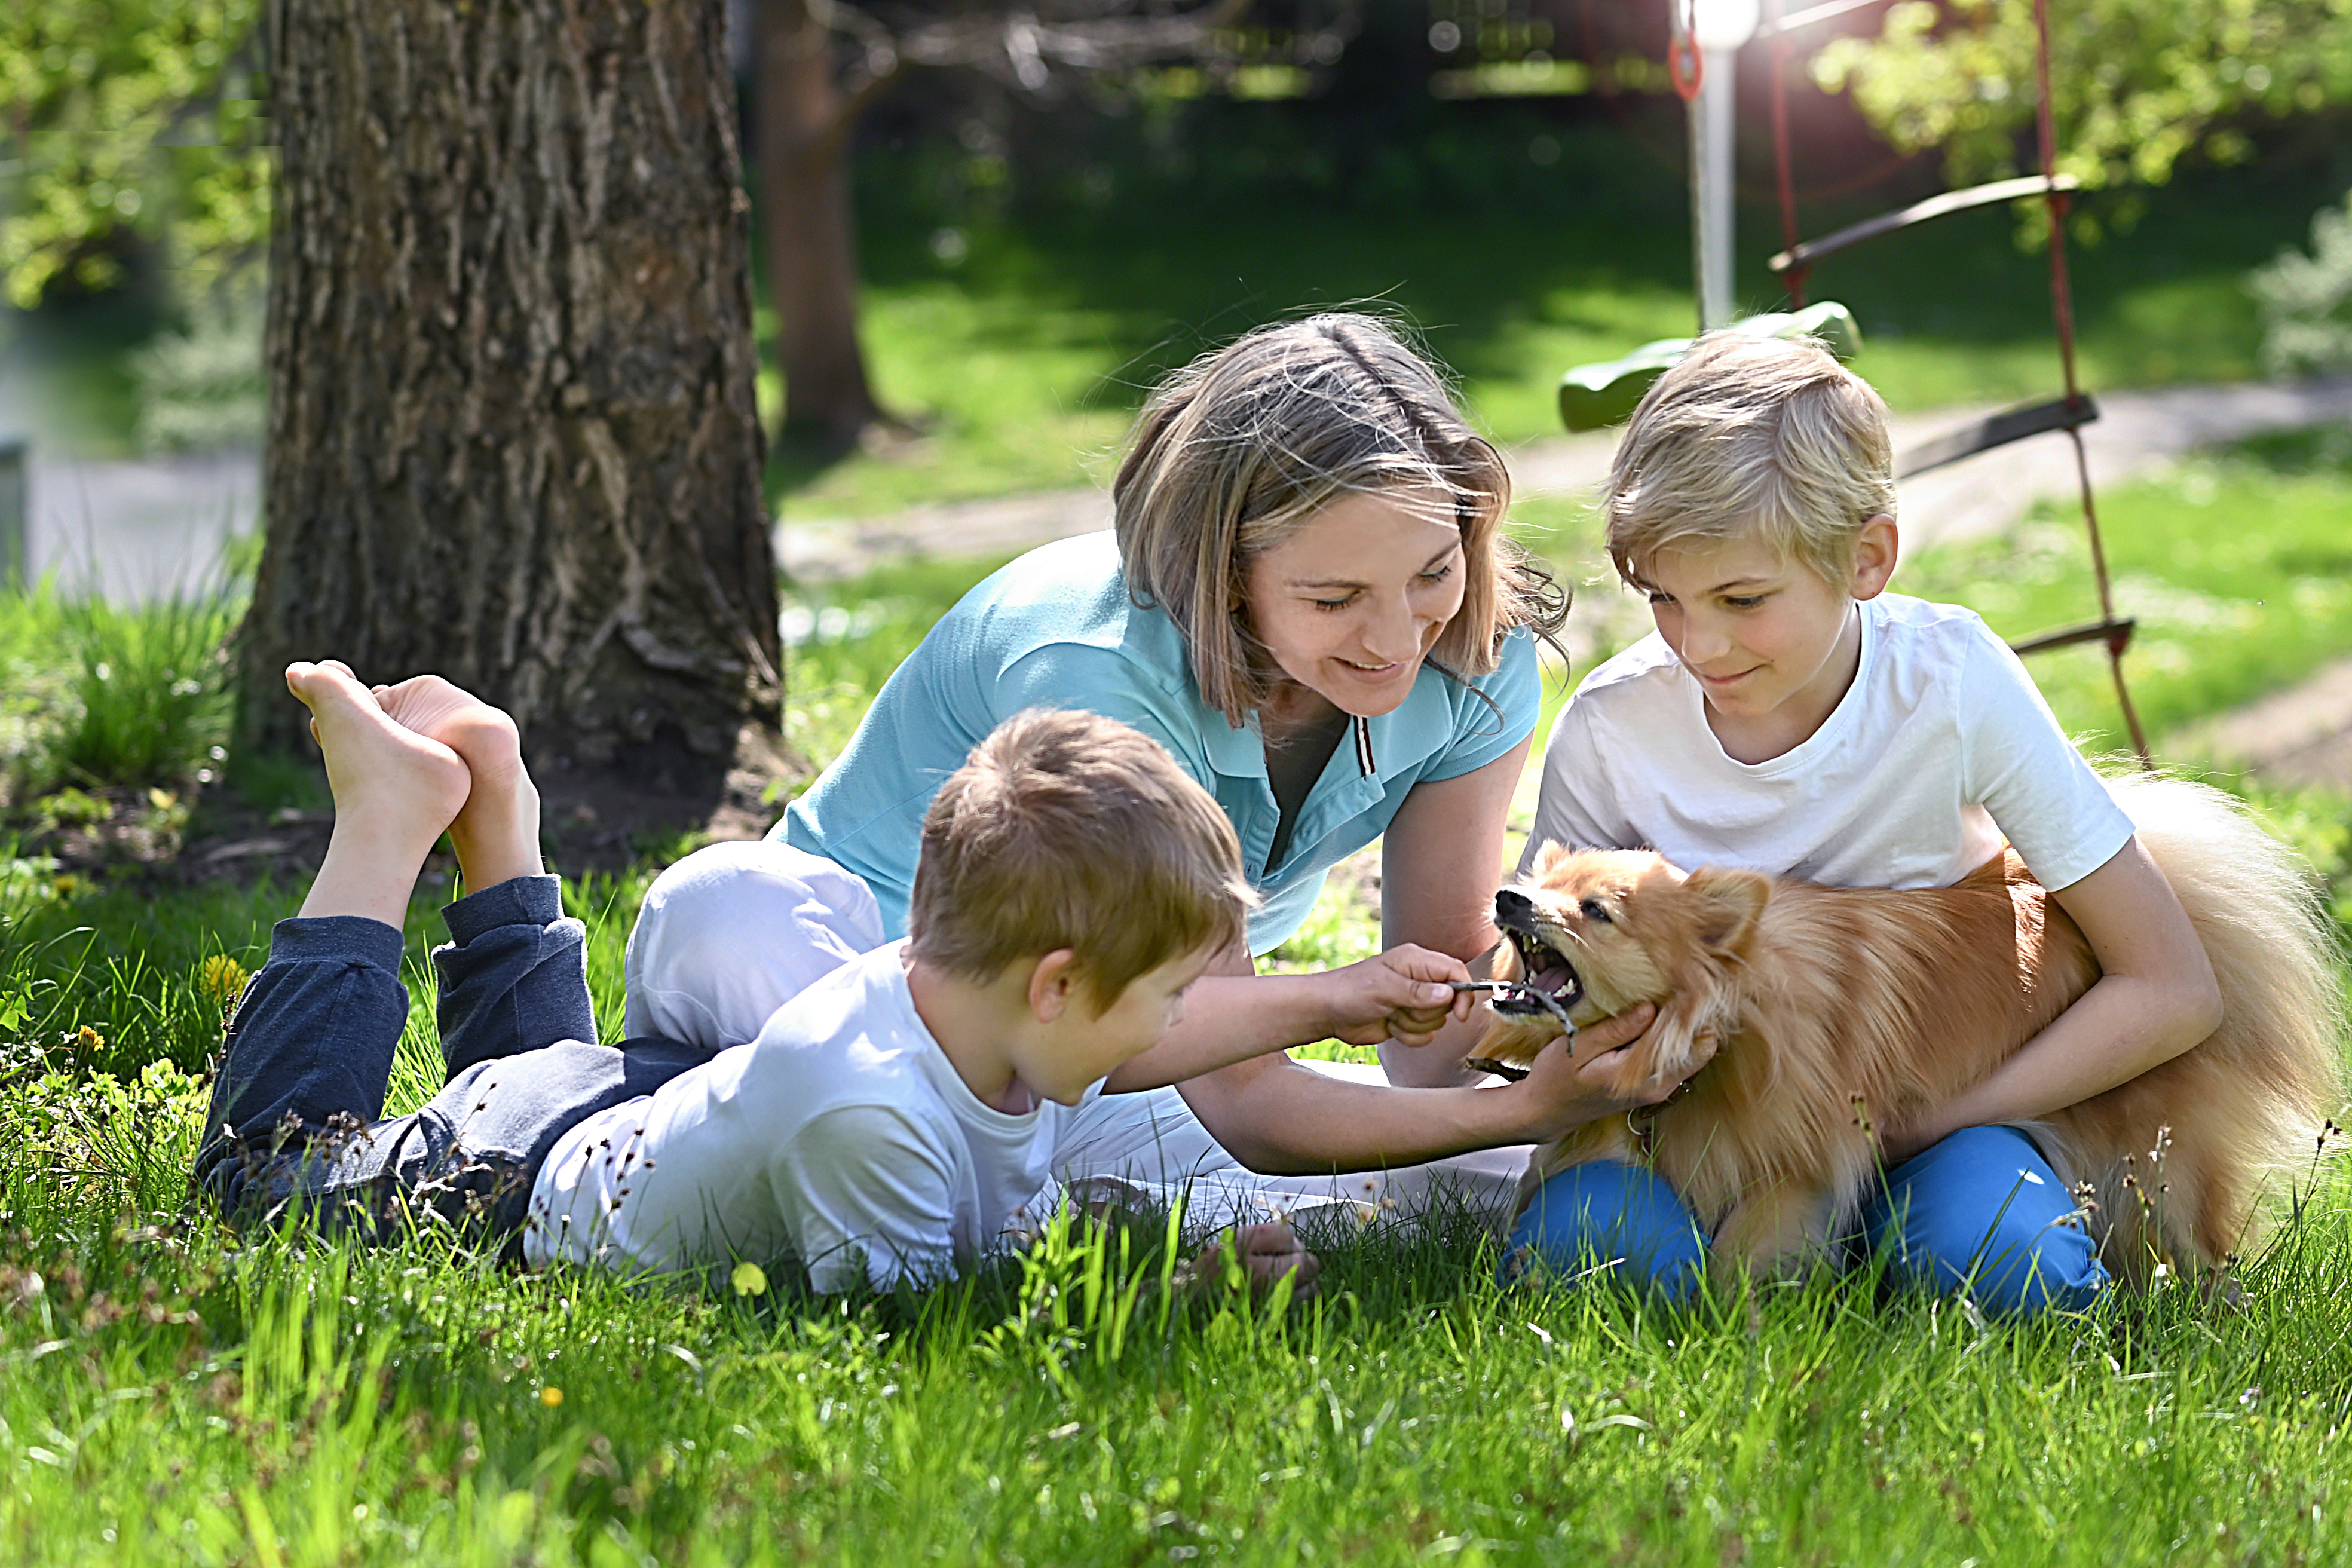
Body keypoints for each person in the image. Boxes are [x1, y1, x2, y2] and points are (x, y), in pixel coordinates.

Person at [637, 313, 1689, 1227]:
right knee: (740, 921)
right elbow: (1230, 1091)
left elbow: (1425, 1041)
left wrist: (1586, 1046)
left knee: (1499, 1181)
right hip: (860, 991)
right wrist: (1474, 1084)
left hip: (1127, 1050)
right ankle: (1025, 1213)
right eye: (1333, 600)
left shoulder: (1473, 649)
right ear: (1226, 576)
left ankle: (1050, 1207)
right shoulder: (1099, 672)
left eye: (1431, 572)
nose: (1395, 638)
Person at [191, 662, 1319, 1293]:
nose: (1176, 1028)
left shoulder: (977, 1027)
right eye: (1166, 998)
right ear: (1058, 986)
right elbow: (916, 1323)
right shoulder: (865, 1109)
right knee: (256, 1186)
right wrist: (1173, 1296)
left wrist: (1168, 1253)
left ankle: (495, 812)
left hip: (629, 1102)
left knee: (530, 1077)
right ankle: (383, 834)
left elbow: (997, 1224)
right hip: (508, 1176)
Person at [1508, 332, 2223, 1311]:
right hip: (1686, 1134)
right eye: (1664, 598)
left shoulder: (1950, 681)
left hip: (1930, 1116)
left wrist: (1943, 1121)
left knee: (2008, 1276)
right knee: (1597, 1268)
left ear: (1868, 558)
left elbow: (2173, 985)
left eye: (1742, 598)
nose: (1697, 642)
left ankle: (1895, 1230)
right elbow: (1537, 982)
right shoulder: (1614, 724)